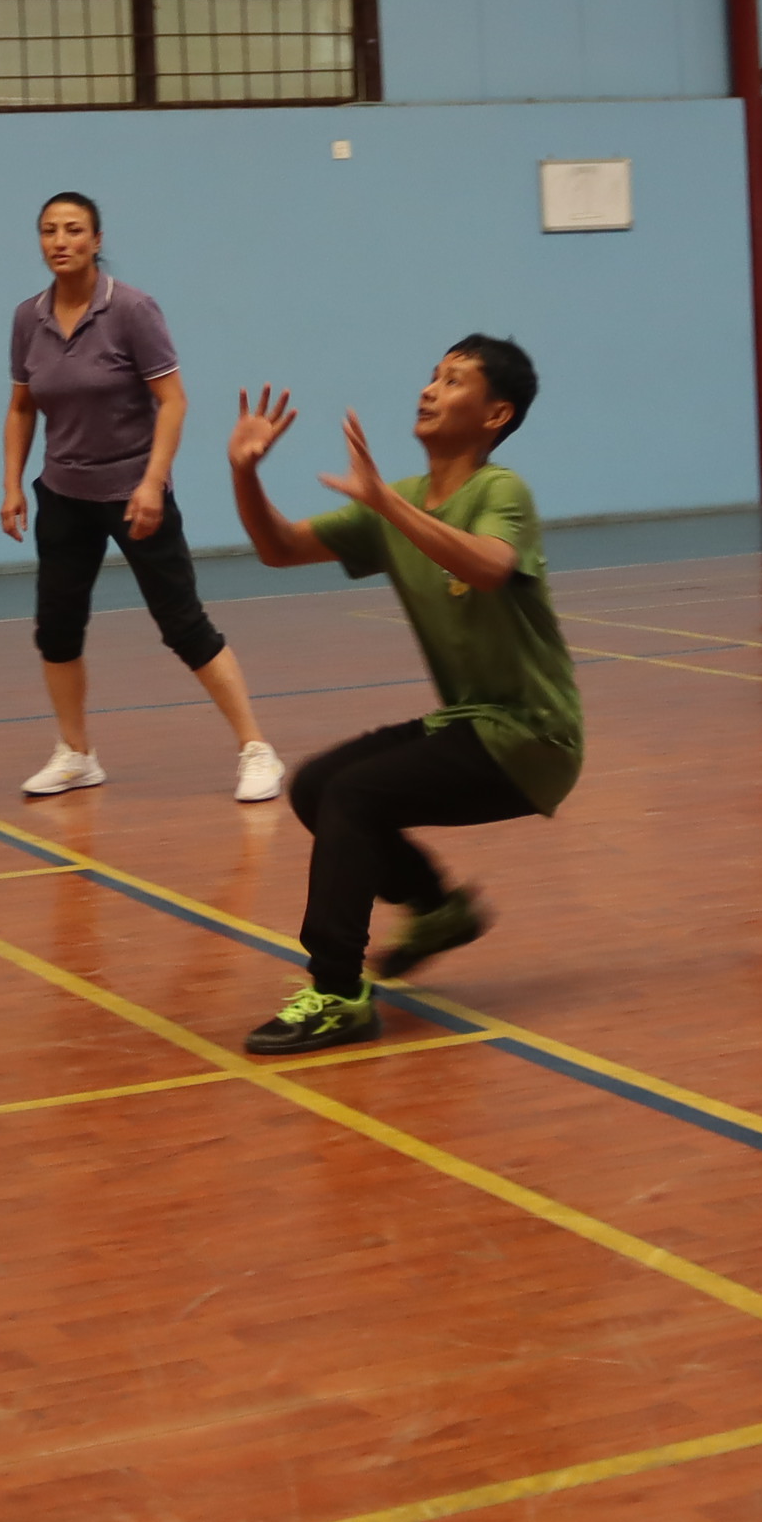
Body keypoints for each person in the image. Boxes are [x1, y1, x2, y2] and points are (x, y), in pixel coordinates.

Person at [223, 339, 580, 1056]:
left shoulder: (500, 491)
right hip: (469, 723)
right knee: (317, 786)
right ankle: (436, 909)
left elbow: (489, 566)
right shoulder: (401, 502)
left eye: (454, 380)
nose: (430, 389)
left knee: (354, 795)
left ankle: (336, 992)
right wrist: (244, 474)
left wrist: (386, 503)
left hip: (531, 734)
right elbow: (279, 548)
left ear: (496, 414)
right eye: (433, 376)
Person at [0, 190, 281, 805]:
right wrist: (12, 484)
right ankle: (76, 754)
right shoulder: (28, 318)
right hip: (62, 494)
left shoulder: (131, 309)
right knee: (56, 630)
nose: (61, 241)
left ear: (97, 241)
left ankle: (256, 749)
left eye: (74, 229)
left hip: (134, 493)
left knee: (183, 624)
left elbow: (172, 401)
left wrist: (153, 482)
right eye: (50, 230)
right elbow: (21, 407)